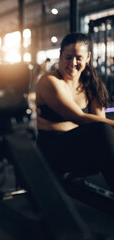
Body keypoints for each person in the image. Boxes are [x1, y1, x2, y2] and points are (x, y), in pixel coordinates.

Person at [35, 32, 114, 190]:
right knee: (103, 129)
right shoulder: (50, 81)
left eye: (78, 57)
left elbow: (99, 123)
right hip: (51, 151)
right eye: (68, 57)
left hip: (78, 149)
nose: (73, 63)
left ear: (88, 57)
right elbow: (79, 117)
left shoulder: (92, 85)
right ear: (61, 56)